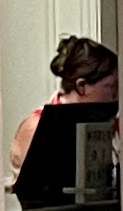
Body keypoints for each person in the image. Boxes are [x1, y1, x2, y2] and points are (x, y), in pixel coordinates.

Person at [10, 35, 117, 189]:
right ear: (82, 86)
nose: (117, 95)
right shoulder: (36, 127)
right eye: (111, 87)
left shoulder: (112, 121)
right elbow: (29, 191)